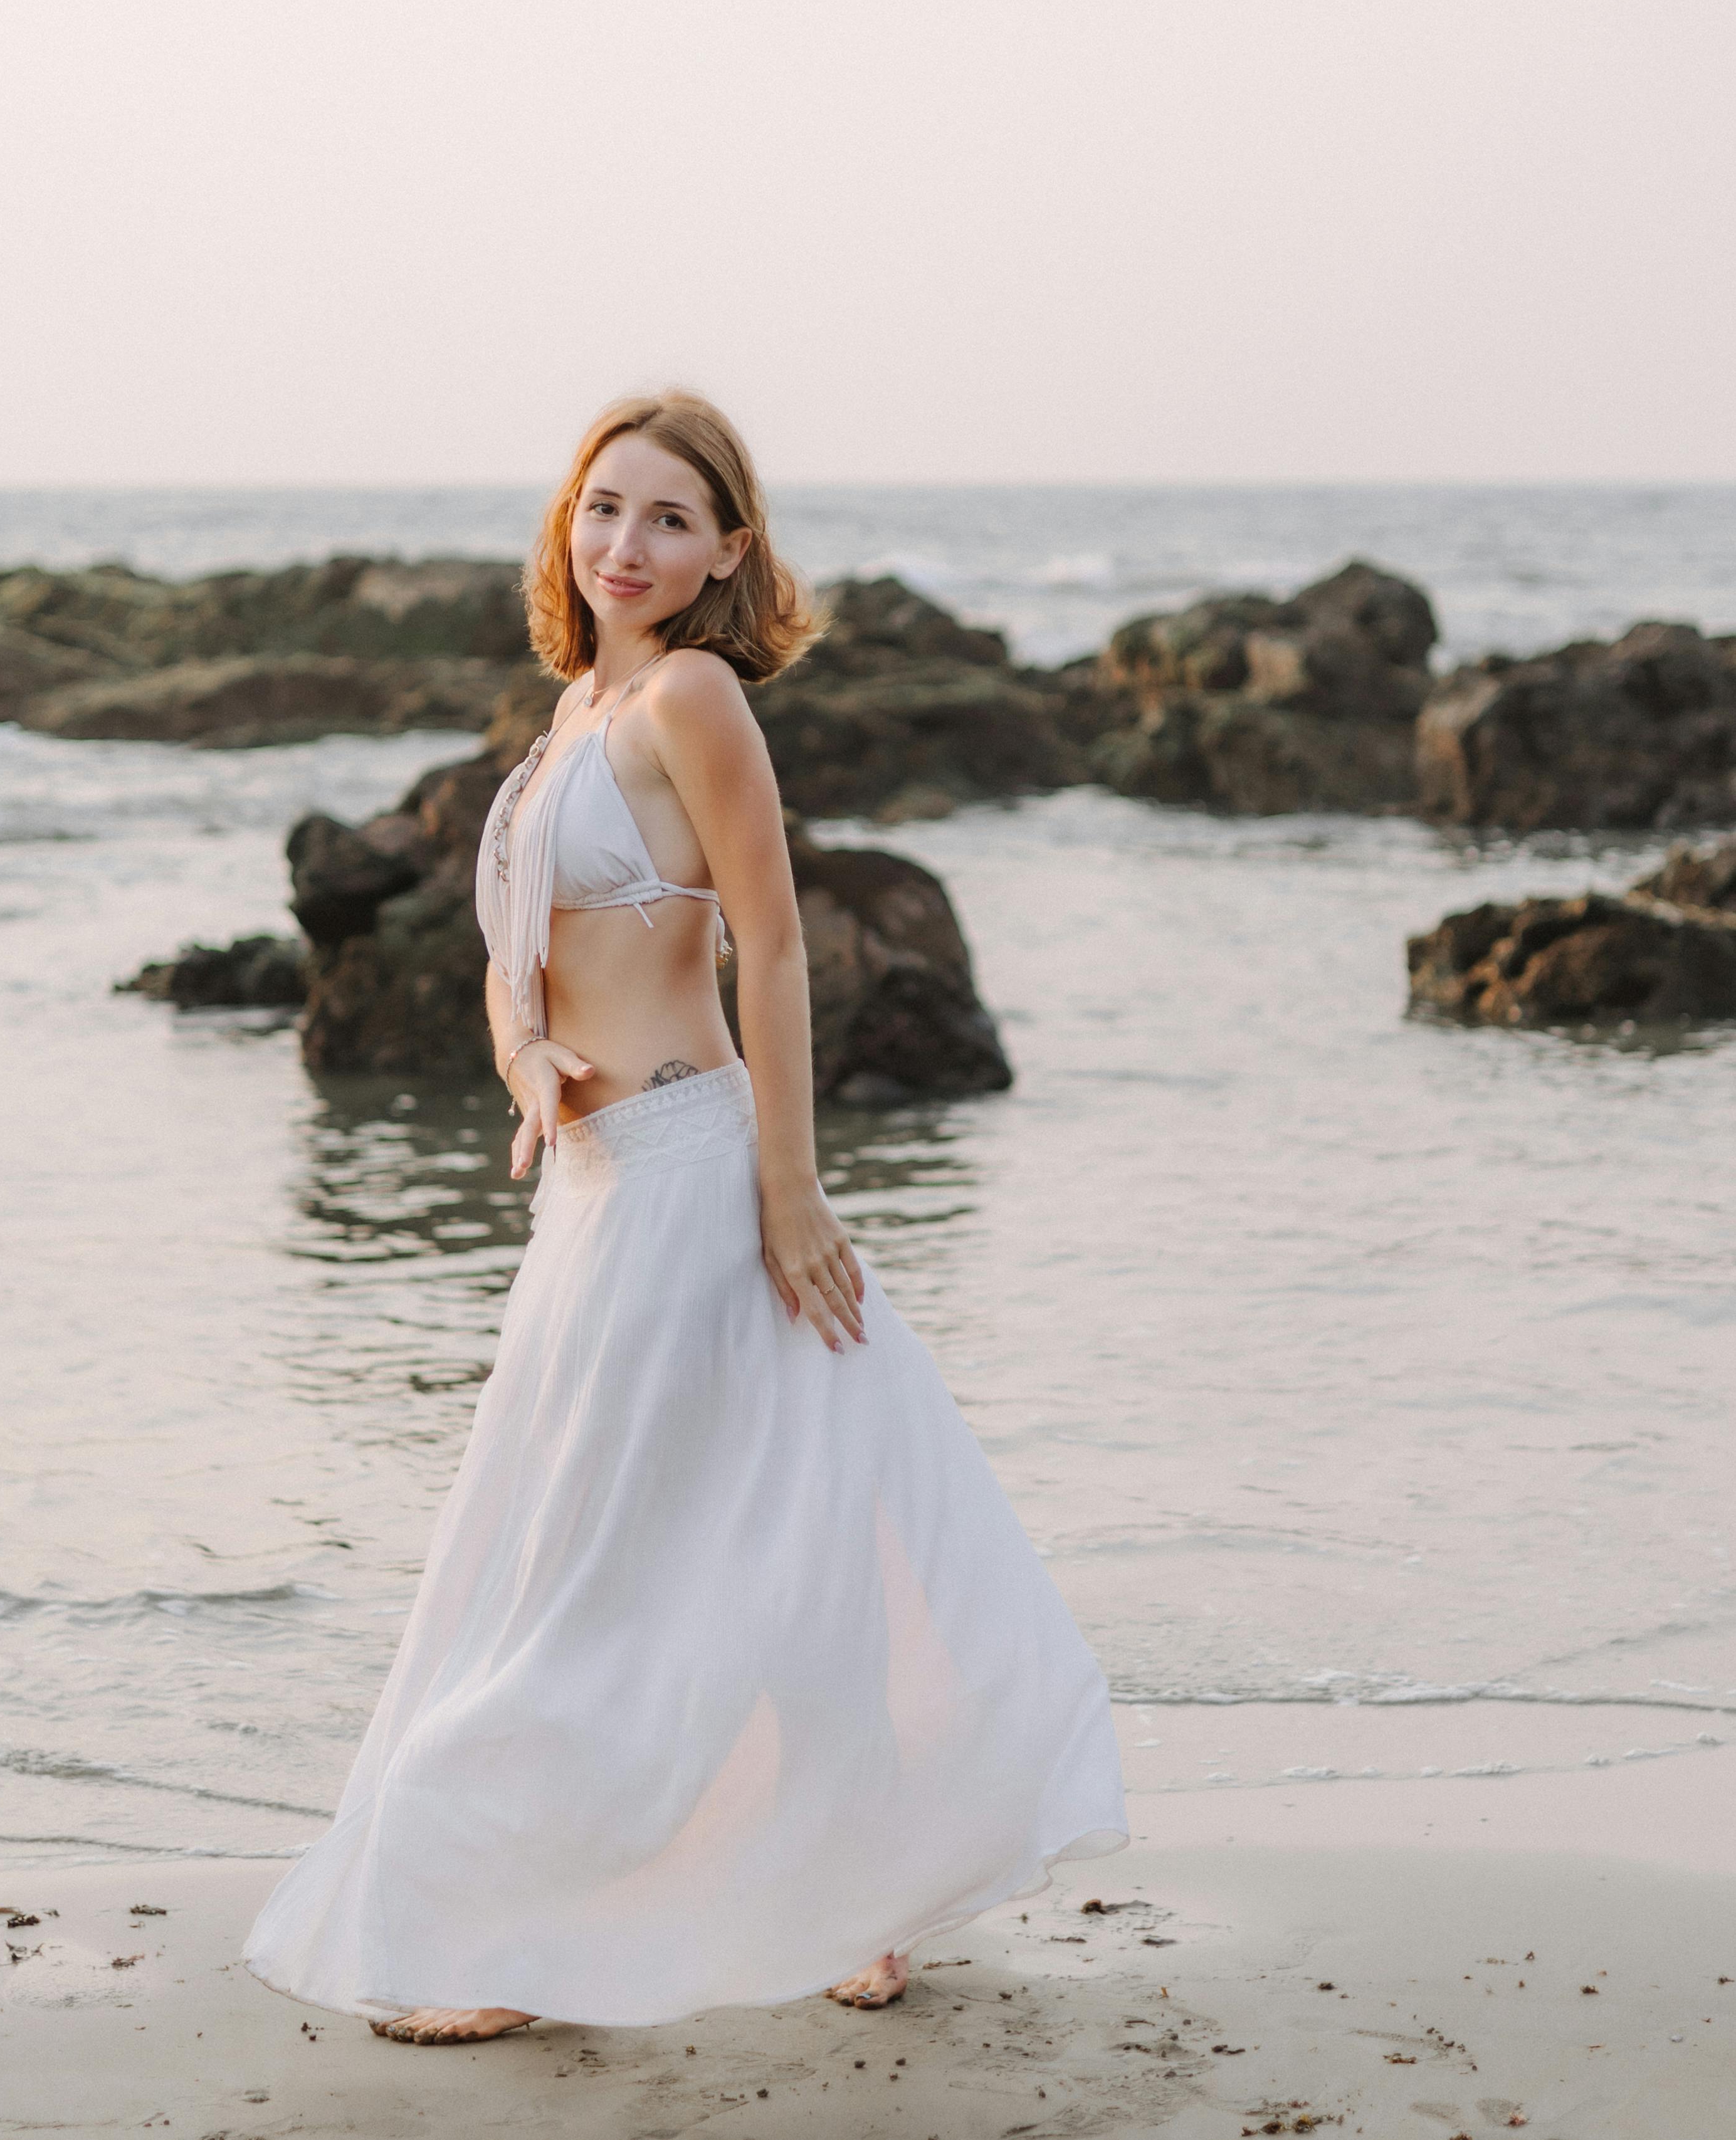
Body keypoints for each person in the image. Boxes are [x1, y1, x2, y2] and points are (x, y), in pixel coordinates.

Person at [243, 390, 1125, 2042]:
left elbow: (773, 947)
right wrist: (524, 1063)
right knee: (756, 1527)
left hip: (688, 1177)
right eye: (600, 507)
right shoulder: (576, 707)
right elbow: (512, 963)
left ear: (728, 548)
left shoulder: (696, 696)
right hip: (585, 1192)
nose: (622, 544)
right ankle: (834, 1892)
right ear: (564, 524)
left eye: (664, 517)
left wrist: (789, 1192)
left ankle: (502, 1926)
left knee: (600, 1559)